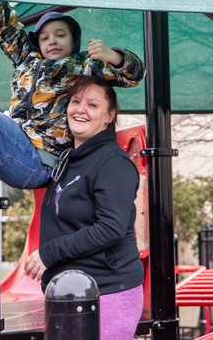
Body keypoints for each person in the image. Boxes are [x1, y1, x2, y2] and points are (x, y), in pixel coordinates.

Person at [0, 0, 145, 208]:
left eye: (60, 35)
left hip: (38, 162)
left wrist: (113, 56)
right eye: (44, 38)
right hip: (13, 150)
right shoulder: (26, 60)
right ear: (37, 44)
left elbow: (134, 75)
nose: (52, 41)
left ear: (74, 42)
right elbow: (5, 25)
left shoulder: (81, 65)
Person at [24, 76, 144, 340]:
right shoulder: (70, 158)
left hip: (108, 292)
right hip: (69, 293)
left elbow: (110, 229)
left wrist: (49, 253)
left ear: (109, 115)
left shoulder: (114, 164)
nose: (80, 109)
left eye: (92, 105)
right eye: (76, 101)